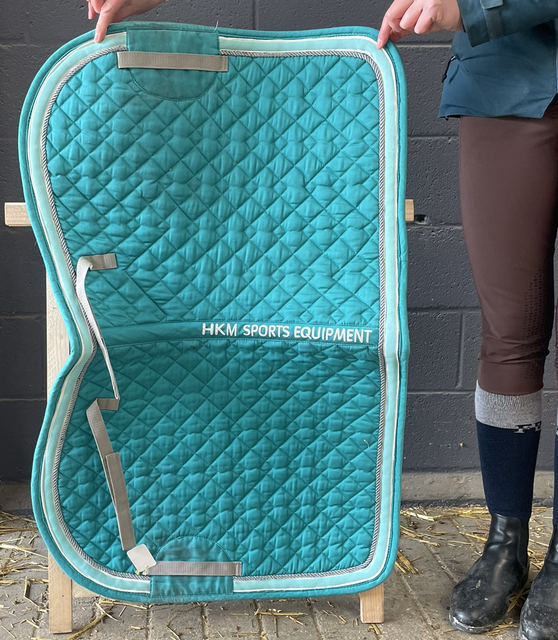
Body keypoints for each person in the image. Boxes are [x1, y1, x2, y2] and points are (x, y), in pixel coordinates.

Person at [86, 1, 558, 638]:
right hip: (505, 83)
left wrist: (471, 6)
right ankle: (505, 542)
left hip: (492, 32)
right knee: (510, 334)